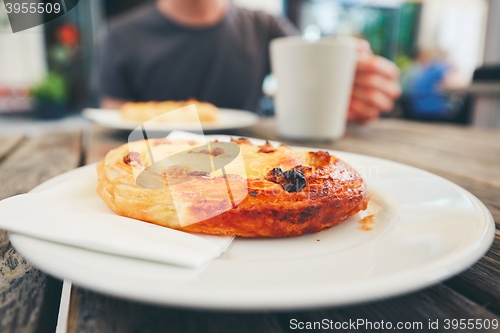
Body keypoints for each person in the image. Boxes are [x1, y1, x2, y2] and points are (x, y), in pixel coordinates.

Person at [98, 0, 401, 124]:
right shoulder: (120, 35)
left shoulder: (266, 27)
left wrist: (347, 92)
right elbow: (116, 117)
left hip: (253, 169)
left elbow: (312, 78)